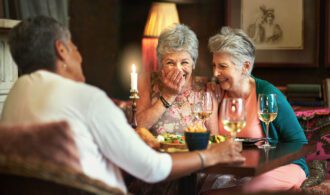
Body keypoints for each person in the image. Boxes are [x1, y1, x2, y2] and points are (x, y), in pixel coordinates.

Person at [0, 16, 245, 194]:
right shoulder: (88, 99)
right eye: (75, 46)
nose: (80, 55)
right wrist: (210, 155)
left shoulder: (15, 94)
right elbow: (152, 168)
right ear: (61, 50)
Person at [207, 27, 308, 193]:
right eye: (214, 65)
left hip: (278, 168)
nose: (215, 73)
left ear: (245, 66)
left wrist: (267, 160)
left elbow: (299, 143)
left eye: (222, 66)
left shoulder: (268, 94)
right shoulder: (217, 94)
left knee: (251, 185)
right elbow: (213, 140)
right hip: (238, 171)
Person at [137, 24, 218, 135]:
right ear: (161, 64)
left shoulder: (207, 88)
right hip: (157, 151)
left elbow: (214, 138)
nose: (178, 70)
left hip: (194, 152)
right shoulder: (147, 80)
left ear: (193, 63)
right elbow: (139, 125)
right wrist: (168, 96)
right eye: (170, 62)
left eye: (184, 62)